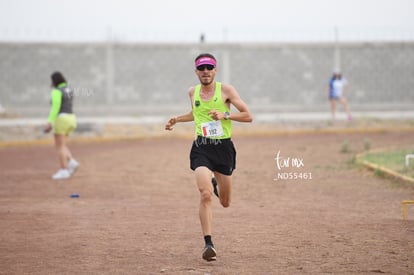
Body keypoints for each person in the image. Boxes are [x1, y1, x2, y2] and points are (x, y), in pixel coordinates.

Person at [165, 53, 253, 261]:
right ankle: (208, 244)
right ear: (196, 71)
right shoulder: (192, 92)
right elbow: (195, 114)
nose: (205, 72)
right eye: (201, 68)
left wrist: (226, 115)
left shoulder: (226, 91)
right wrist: (176, 119)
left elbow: (248, 116)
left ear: (215, 70)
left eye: (209, 68)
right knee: (205, 195)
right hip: (201, 147)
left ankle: (216, 183)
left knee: (225, 202)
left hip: (223, 149)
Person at [44, 71, 79, 180]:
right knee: (62, 145)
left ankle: (64, 169)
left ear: (54, 81)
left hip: (62, 118)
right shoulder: (69, 89)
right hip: (72, 118)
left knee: (59, 146)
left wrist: (50, 121)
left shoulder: (56, 91)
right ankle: (72, 162)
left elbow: (55, 107)